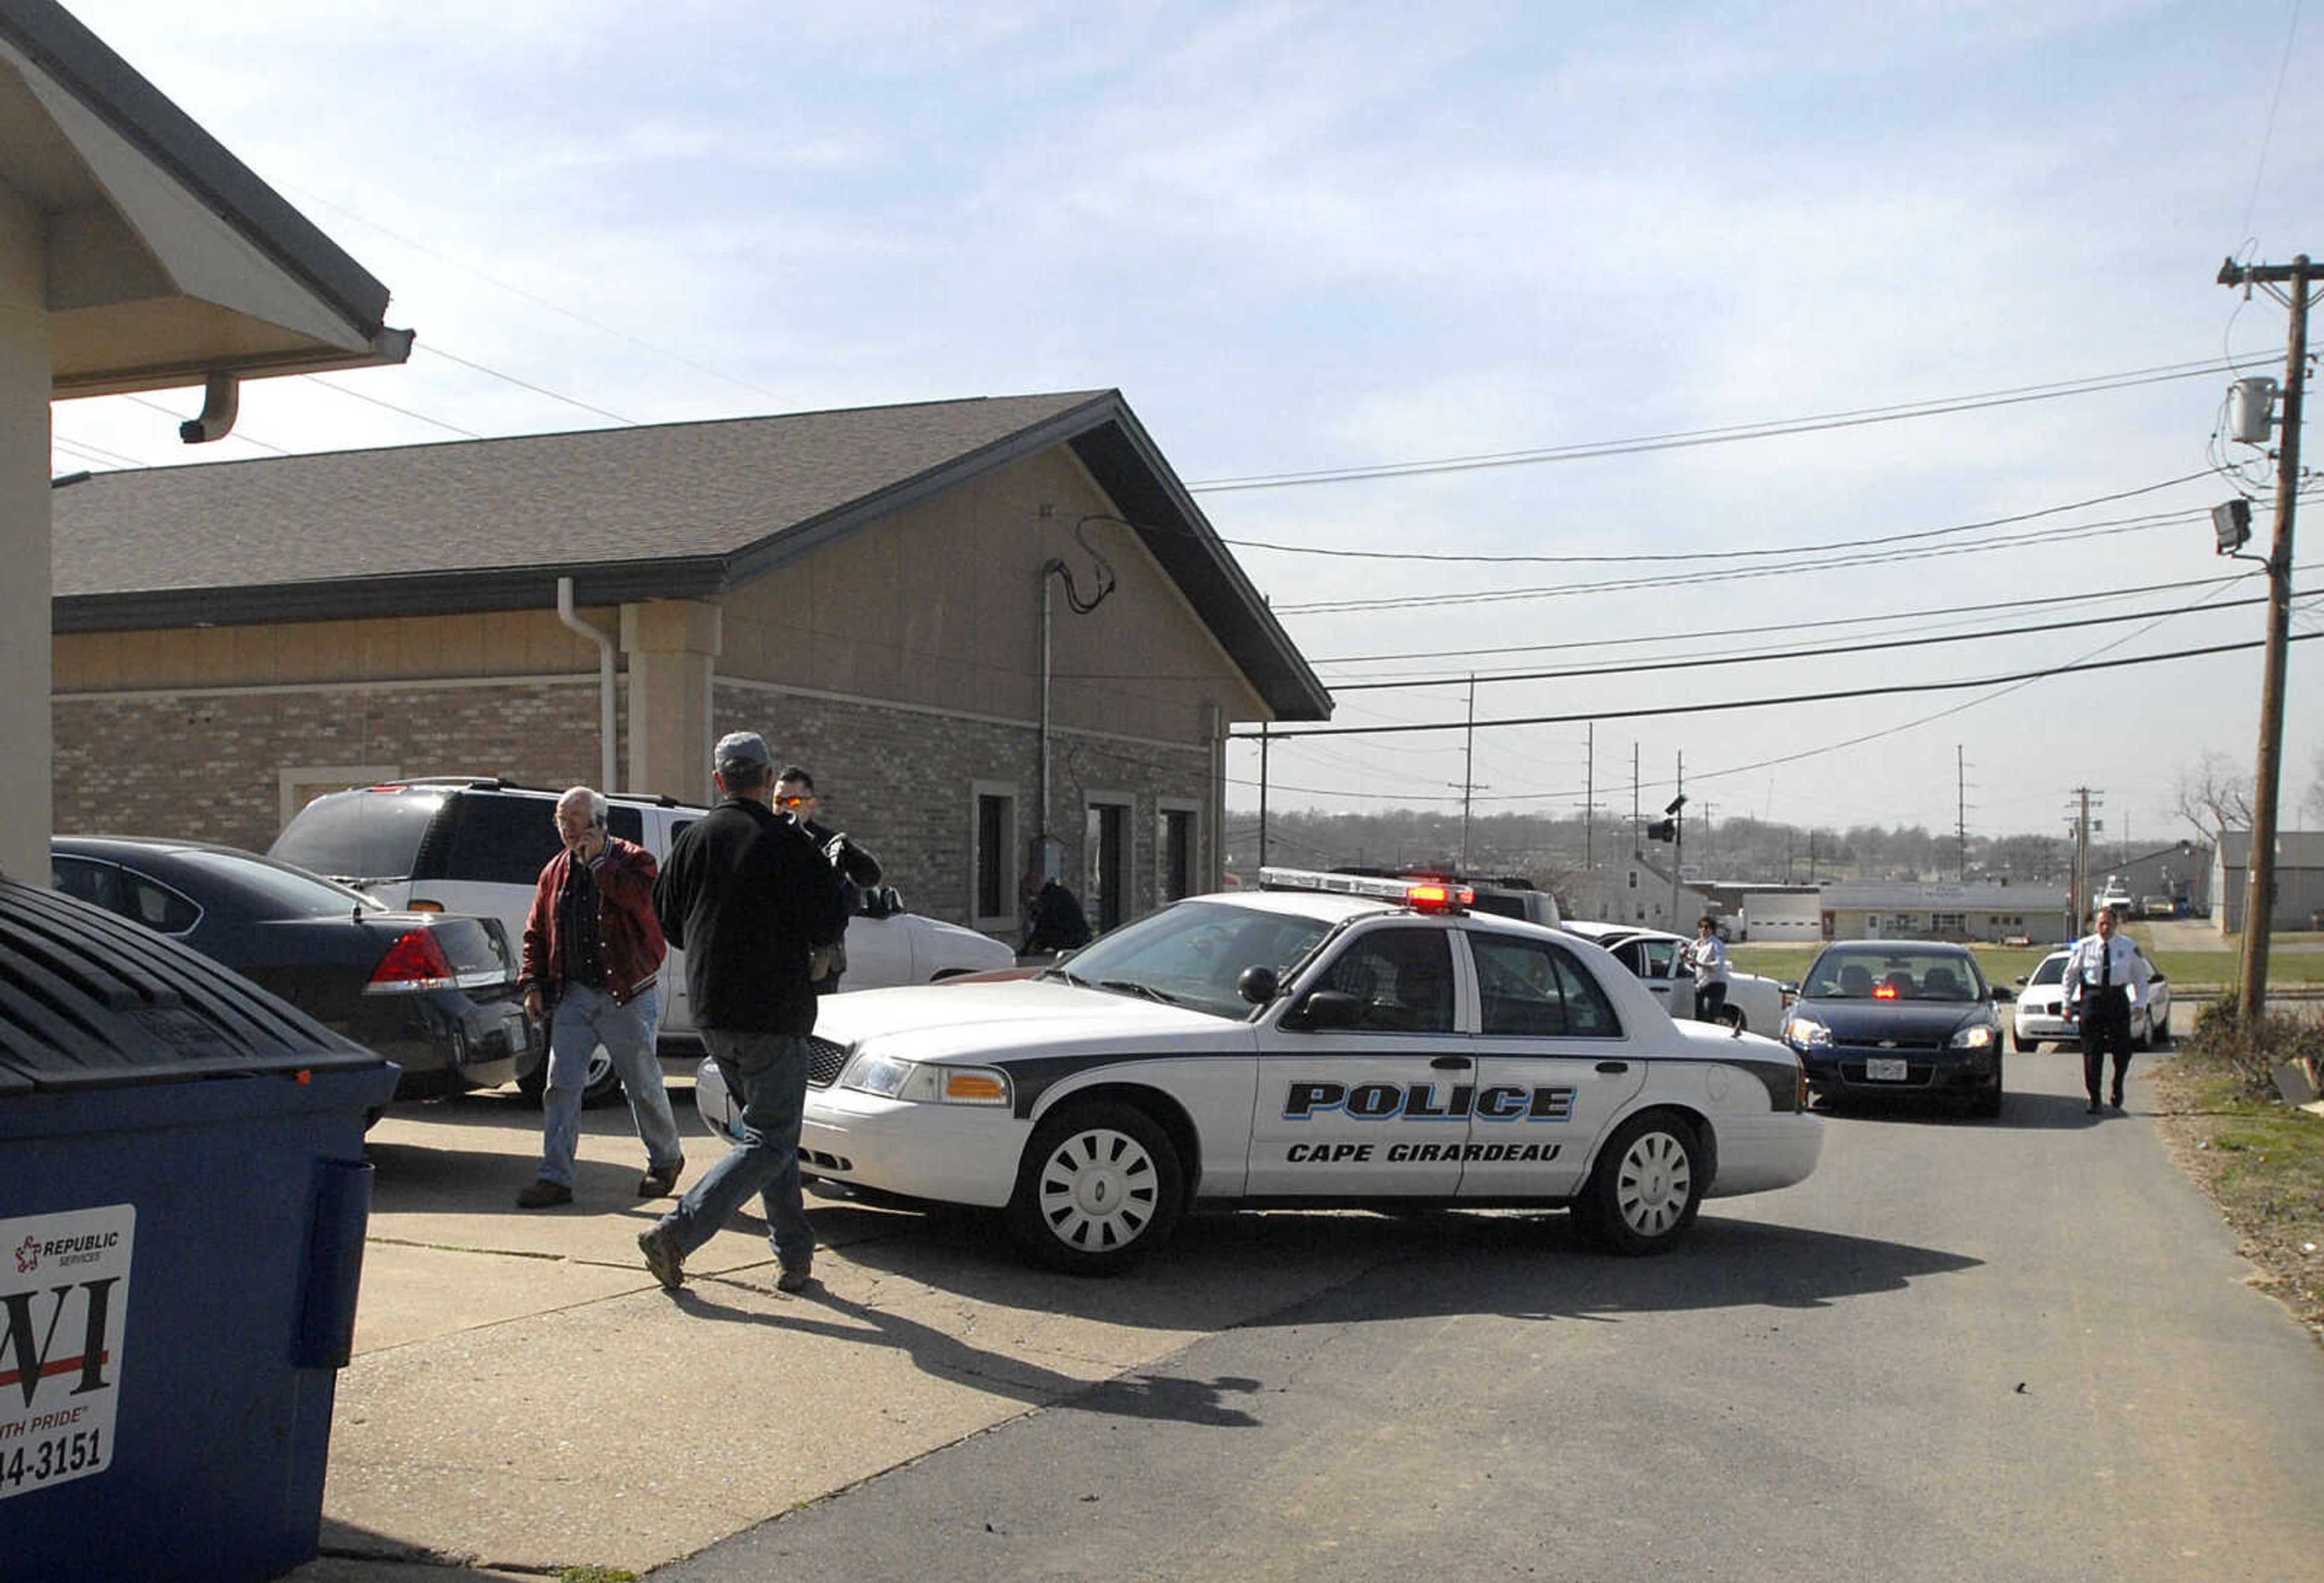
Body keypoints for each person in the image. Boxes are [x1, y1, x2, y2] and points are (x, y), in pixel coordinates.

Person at [637, 731, 848, 1294]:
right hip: (772, 1013)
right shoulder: (785, 842)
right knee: (771, 1139)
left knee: (766, 1136)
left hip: (712, 1011)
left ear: (718, 781)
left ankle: (795, 1258)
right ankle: (677, 1234)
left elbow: (669, 920)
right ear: (766, 778)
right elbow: (830, 922)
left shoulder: (694, 839)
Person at [514, 787, 686, 1208]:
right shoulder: (554, 871)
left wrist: (600, 866)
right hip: (573, 995)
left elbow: (643, 906)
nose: (568, 829)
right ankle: (555, 1178)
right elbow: (537, 931)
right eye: (561, 820)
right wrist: (533, 983)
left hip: (626, 993)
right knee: (560, 1085)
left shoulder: (636, 861)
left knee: (642, 1084)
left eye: (575, 819)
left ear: (599, 822)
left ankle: (666, 1159)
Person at [775, 765, 883, 995]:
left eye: (792, 802)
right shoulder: (761, 839)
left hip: (820, 962)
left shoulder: (829, 843)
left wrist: (849, 857)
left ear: (811, 805)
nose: (783, 807)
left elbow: (868, 878)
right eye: (778, 801)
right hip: (777, 959)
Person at [2064, 904, 2147, 1114]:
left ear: (2115, 925)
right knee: (2092, 1052)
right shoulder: (2084, 946)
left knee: (2123, 1050)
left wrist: (2140, 1004)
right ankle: (2094, 1097)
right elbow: (2070, 976)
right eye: (2101, 924)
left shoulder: (2129, 947)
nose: (2104, 928)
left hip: (2117, 998)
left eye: (2108, 924)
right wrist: (2067, 1004)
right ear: (2096, 925)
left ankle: (2117, 1085)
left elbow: (2140, 977)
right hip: (2093, 999)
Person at [1023, 874, 1092, 955]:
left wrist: (1030, 948)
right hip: (1076, 937)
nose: (1031, 897)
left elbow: (1044, 925)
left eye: (1030, 892)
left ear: (1035, 886)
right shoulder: (1055, 893)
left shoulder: (1051, 897)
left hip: (1072, 940)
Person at [1681, 915, 1730, 1024]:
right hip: (1700, 984)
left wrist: (1699, 964)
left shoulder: (1717, 945)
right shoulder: (1696, 944)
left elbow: (1718, 965)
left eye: (1707, 927)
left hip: (1715, 985)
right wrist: (1684, 952)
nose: (1703, 930)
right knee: (1698, 1016)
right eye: (1701, 927)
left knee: (1711, 1017)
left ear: (1712, 930)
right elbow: (1688, 955)